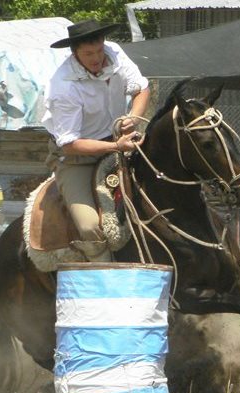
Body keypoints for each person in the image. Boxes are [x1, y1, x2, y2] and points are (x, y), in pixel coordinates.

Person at [42, 19, 150, 262]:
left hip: (118, 142)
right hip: (76, 158)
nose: (97, 58)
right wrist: (115, 146)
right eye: (89, 53)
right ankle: (103, 275)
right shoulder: (63, 87)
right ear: (75, 53)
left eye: (99, 50)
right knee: (90, 225)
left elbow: (141, 88)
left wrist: (133, 117)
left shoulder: (115, 52)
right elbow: (68, 144)